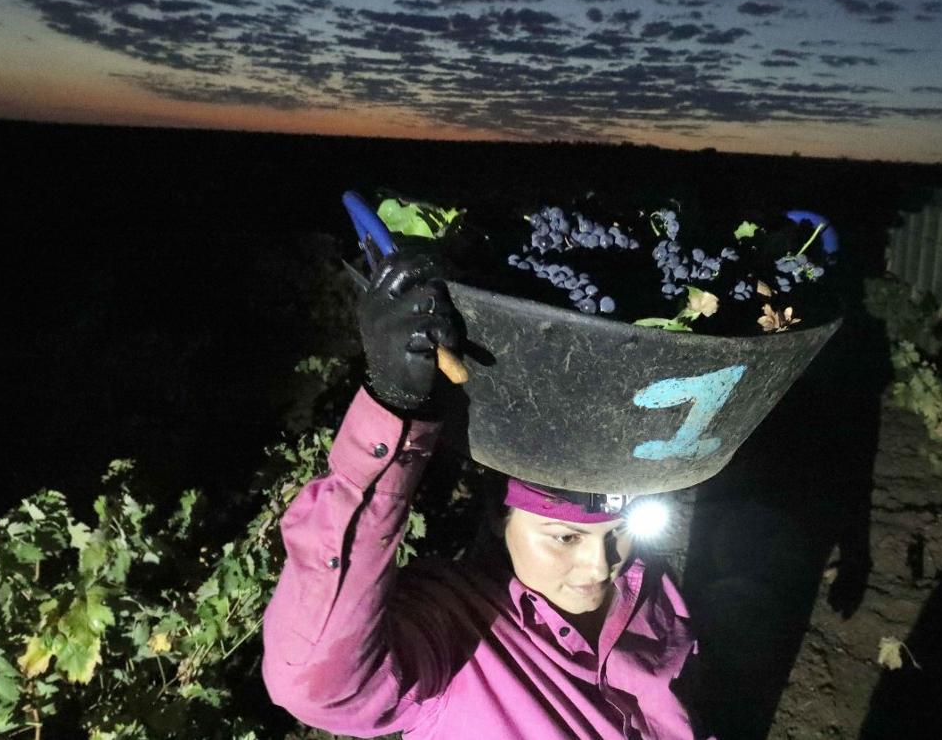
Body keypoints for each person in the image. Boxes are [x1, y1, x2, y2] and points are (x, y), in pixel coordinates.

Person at [262, 249, 710, 739]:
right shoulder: (452, 630)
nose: (602, 566)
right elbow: (314, 686)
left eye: (620, 532)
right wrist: (393, 405)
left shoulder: (650, 593)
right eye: (564, 537)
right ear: (500, 515)